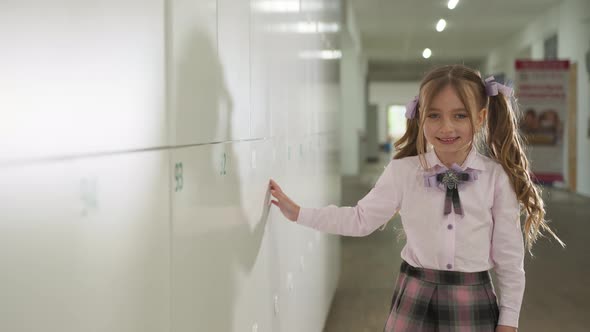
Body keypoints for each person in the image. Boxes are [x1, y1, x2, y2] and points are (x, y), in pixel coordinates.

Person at [268, 65, 565, 332]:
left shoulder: (495, 177)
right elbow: (360, 219)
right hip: (414, 295)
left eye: (459, 115)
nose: (446, 127)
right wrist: (299, 213)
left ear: (480, 118)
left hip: (472, 298)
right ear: (420, 117)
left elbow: (509, 259)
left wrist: (509, 321)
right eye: (434, 115)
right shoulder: (403, 172)